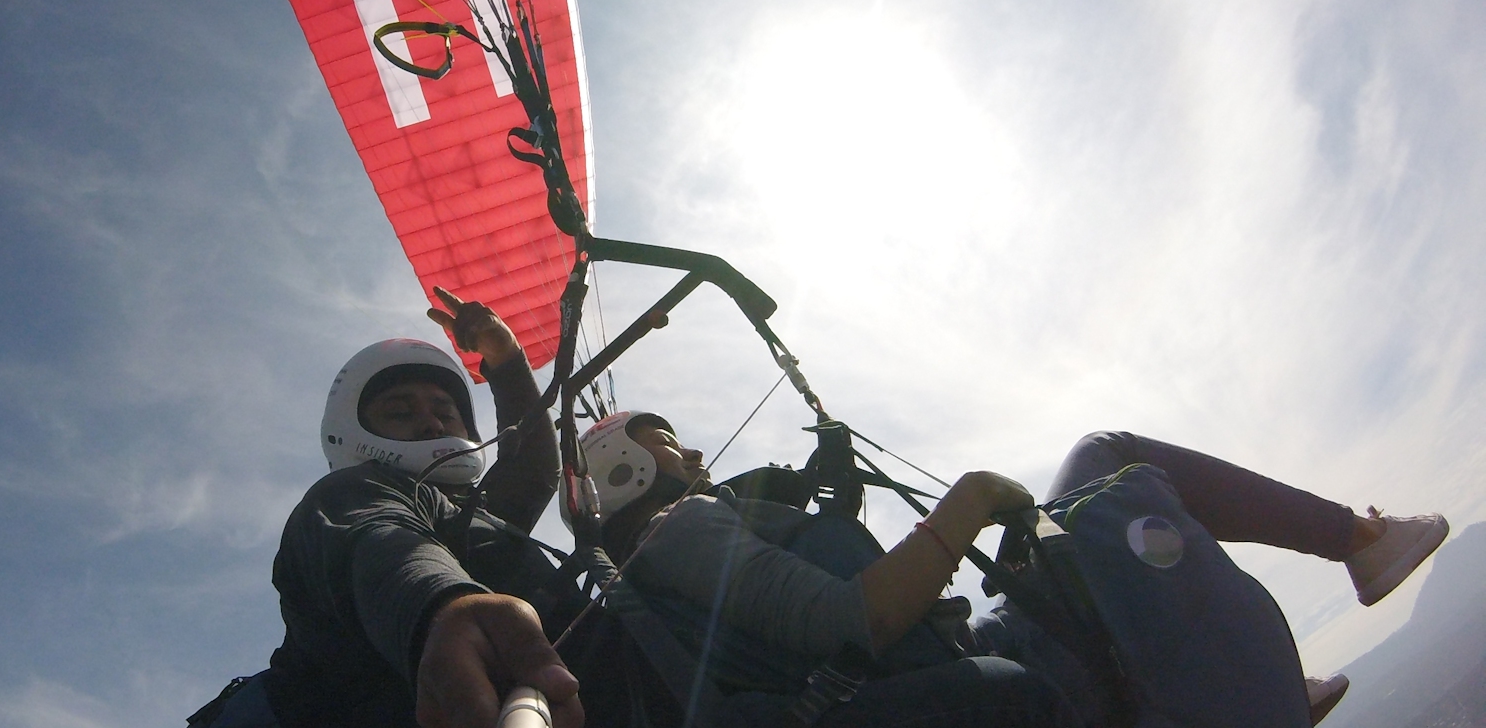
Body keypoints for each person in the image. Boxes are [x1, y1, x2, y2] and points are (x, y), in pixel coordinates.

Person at [572, 412, 1448, 727]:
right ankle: (1353, 548)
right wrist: (972, 498)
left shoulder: (682, 549)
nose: (682, 444)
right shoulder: (679, 533)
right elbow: (857, 619)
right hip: (980, 679)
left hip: (960, 659)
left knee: (1096, 461)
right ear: (627, 468)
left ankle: (1271, 647)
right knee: (1108, 462)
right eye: (659, 437)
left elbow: (799, 614)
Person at [191, 289, 580, 728]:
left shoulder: (480, 516)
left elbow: (533, 469)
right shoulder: (350, 496)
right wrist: (444, 610)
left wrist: (506, 360)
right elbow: (381, 541)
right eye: (400, 412)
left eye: (445, 410)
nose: (433, 422)